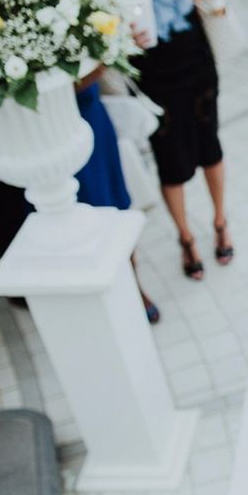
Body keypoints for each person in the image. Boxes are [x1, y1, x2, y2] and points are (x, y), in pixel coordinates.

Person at [107, 0, 234, 281]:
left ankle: (220, 222)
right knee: (170, 159)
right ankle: (186, 237)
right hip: (152, 62)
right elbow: (123, 11)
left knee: (210, 145)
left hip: (192, 47)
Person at [75, 67, 161, 323]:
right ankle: (94, 293)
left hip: (90, 114)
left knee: (114, 206)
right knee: (81, 219)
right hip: (49, 128)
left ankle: (133, 283)